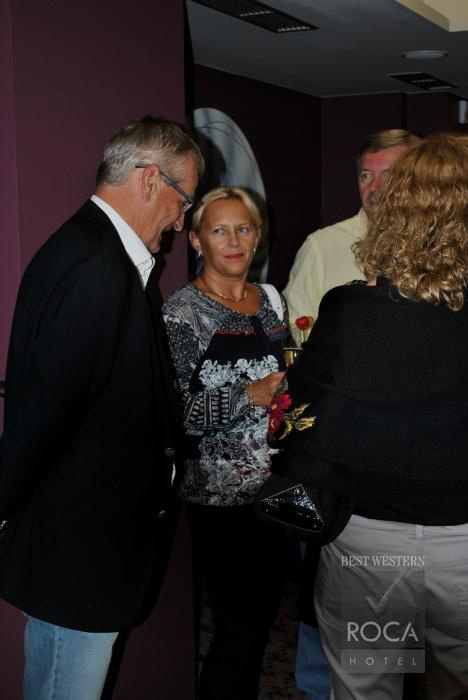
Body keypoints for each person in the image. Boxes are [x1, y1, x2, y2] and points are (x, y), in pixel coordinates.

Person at [0, 115, 203, 700]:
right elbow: (45, 414)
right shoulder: (97, 267)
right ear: (149, 180)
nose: (181, 220)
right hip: (80, 553)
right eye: (183, 200)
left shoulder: (88, 251)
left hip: (81, 546)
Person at [272, 132, 468, 700]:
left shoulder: (350, 308)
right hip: (461, 545)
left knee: (368, 686)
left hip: (372, 549)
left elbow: (305, 420)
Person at [163, 186, 290, 700]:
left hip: (280, 489)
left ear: (258, 237)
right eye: (219, 230)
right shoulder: (183, 312)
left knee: (262, 623)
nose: (234, 241)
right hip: (218, 497)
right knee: (237, 629)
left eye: (244, 229)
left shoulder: (272, 299)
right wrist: (249, 394)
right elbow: (178, 417)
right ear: (196, 240)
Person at [284, 129, 422, 345]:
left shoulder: (439, 246)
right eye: (366, 176)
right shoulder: (322, 246)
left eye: (388, 175)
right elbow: (294, 335)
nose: (374, 187)